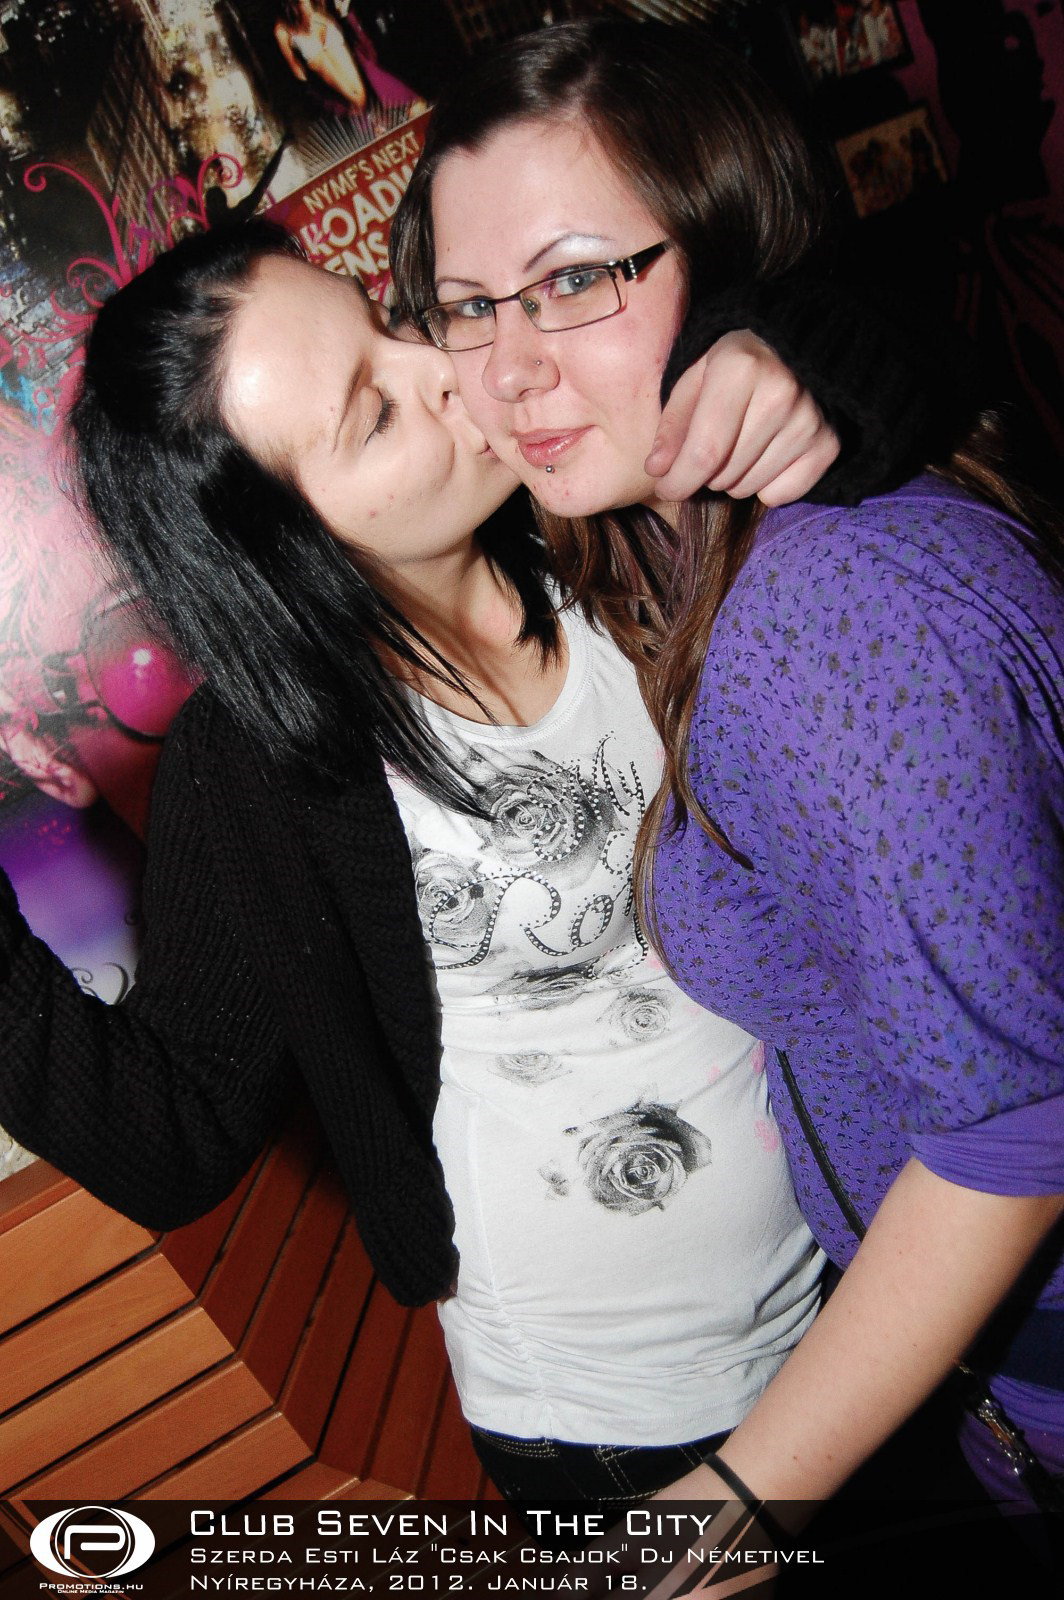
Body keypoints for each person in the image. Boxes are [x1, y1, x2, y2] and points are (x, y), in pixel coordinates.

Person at [0, 215, 953, 1505]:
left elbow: (906, 322)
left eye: (388, 322)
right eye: (373, 415)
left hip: (886, 1282)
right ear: (287, 543)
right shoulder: (268, 767)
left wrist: (793, 354)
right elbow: (170, 1139)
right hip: (629, 1433)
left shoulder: (616, 528)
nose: (444, 368)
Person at [387, 16, 1064, 1512]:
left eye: (575, 279)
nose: (507, 370)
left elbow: (1024, 1129)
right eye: (467, 307)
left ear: (737, 256)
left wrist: (736, 1511)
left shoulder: (830, 604)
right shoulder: (653, 558)